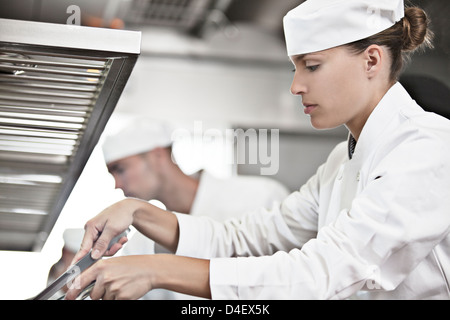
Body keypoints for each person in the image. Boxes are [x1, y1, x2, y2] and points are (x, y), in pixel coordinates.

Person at [66, 0, 450, 300]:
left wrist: (155, 271)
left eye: (311, 66)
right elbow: (251, 237)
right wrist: (138, 211)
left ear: (371, 60)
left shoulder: (426, 147)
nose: (296, 86)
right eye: (295, 68)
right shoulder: (341, 161)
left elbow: (323, 272)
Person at [100, 117, 290, 299]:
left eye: (120, 169)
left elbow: (292, 280)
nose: (117, 184)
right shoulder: (142, 242)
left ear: (157, 155)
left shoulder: (262, 196)